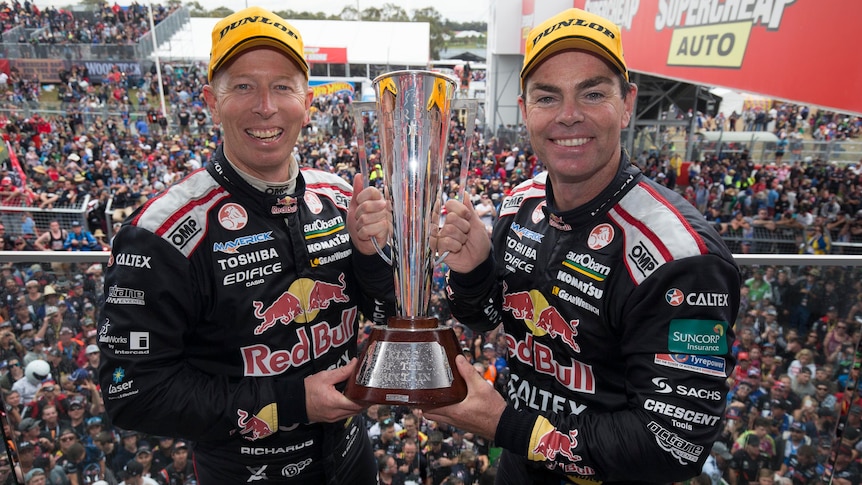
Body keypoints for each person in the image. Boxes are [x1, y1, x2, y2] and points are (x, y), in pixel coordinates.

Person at [427, 8, 740, 484]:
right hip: (518, 468)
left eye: (592, 93)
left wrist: (504, 424)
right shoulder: (520, 203)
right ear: (525, 108)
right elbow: (485, 317)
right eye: (548, 97)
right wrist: (473, 272)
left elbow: (673, 447)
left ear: (628, 101)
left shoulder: (684, 257)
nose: (568, 115)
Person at [97, 7, 395, 484]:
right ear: (211, 102)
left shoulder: (342, 198)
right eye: (243, 86)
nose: (265, 106)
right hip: (243, 472)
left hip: (353, 458)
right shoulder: (161, 232)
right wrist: (291, 402)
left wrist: (373, 260)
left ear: (308, 102)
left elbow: (390, 316)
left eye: (282, 86)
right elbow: (131, 393)